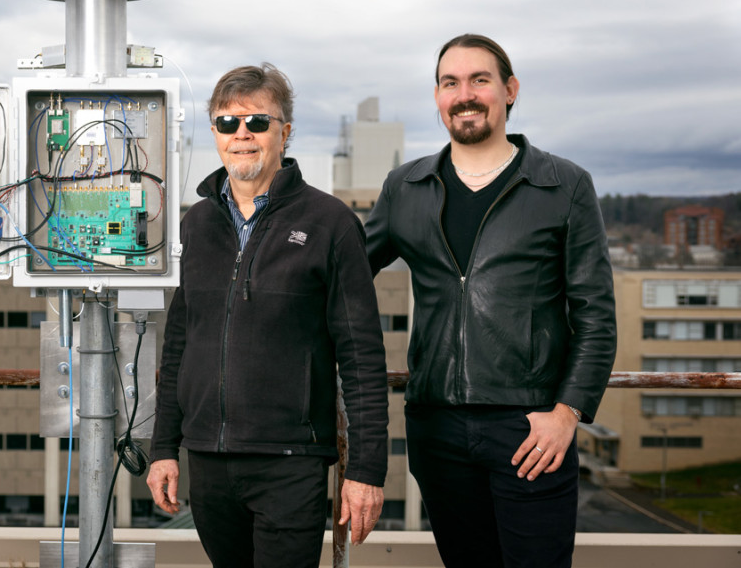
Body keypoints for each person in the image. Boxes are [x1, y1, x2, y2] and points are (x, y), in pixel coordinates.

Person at [365, 34, 617, 567]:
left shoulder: (563, 185)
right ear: (437, 97)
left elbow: (596, 315)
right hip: (436, 428)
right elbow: (343, 276)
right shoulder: (404, 187)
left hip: (531, 428)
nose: (465, 94)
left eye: (480, 80)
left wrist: (567, 414)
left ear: (509, 90)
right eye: (450, 83)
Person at [147, 63, 389, 568]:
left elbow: (362, 356)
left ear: (285, 131)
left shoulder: (330, 224)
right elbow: (178, 345)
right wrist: (164, 447)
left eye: (258, 122)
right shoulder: (198, 223)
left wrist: (366, 471)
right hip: (208, 461)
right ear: (213, 132)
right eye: (227, 123)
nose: (242, 135)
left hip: (290, 464)